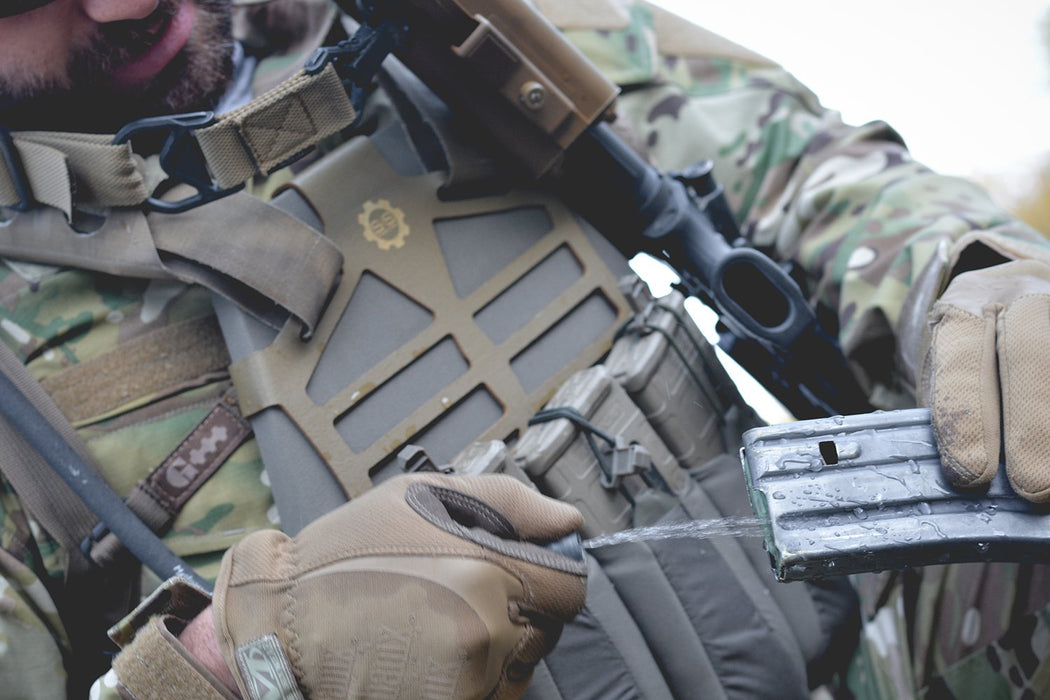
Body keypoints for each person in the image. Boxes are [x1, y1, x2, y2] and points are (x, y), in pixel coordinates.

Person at [1, 0, 1049, 698]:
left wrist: (979, 279)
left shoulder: (458, 37)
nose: (119, 2)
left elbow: (815, 174)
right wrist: (236, 663)